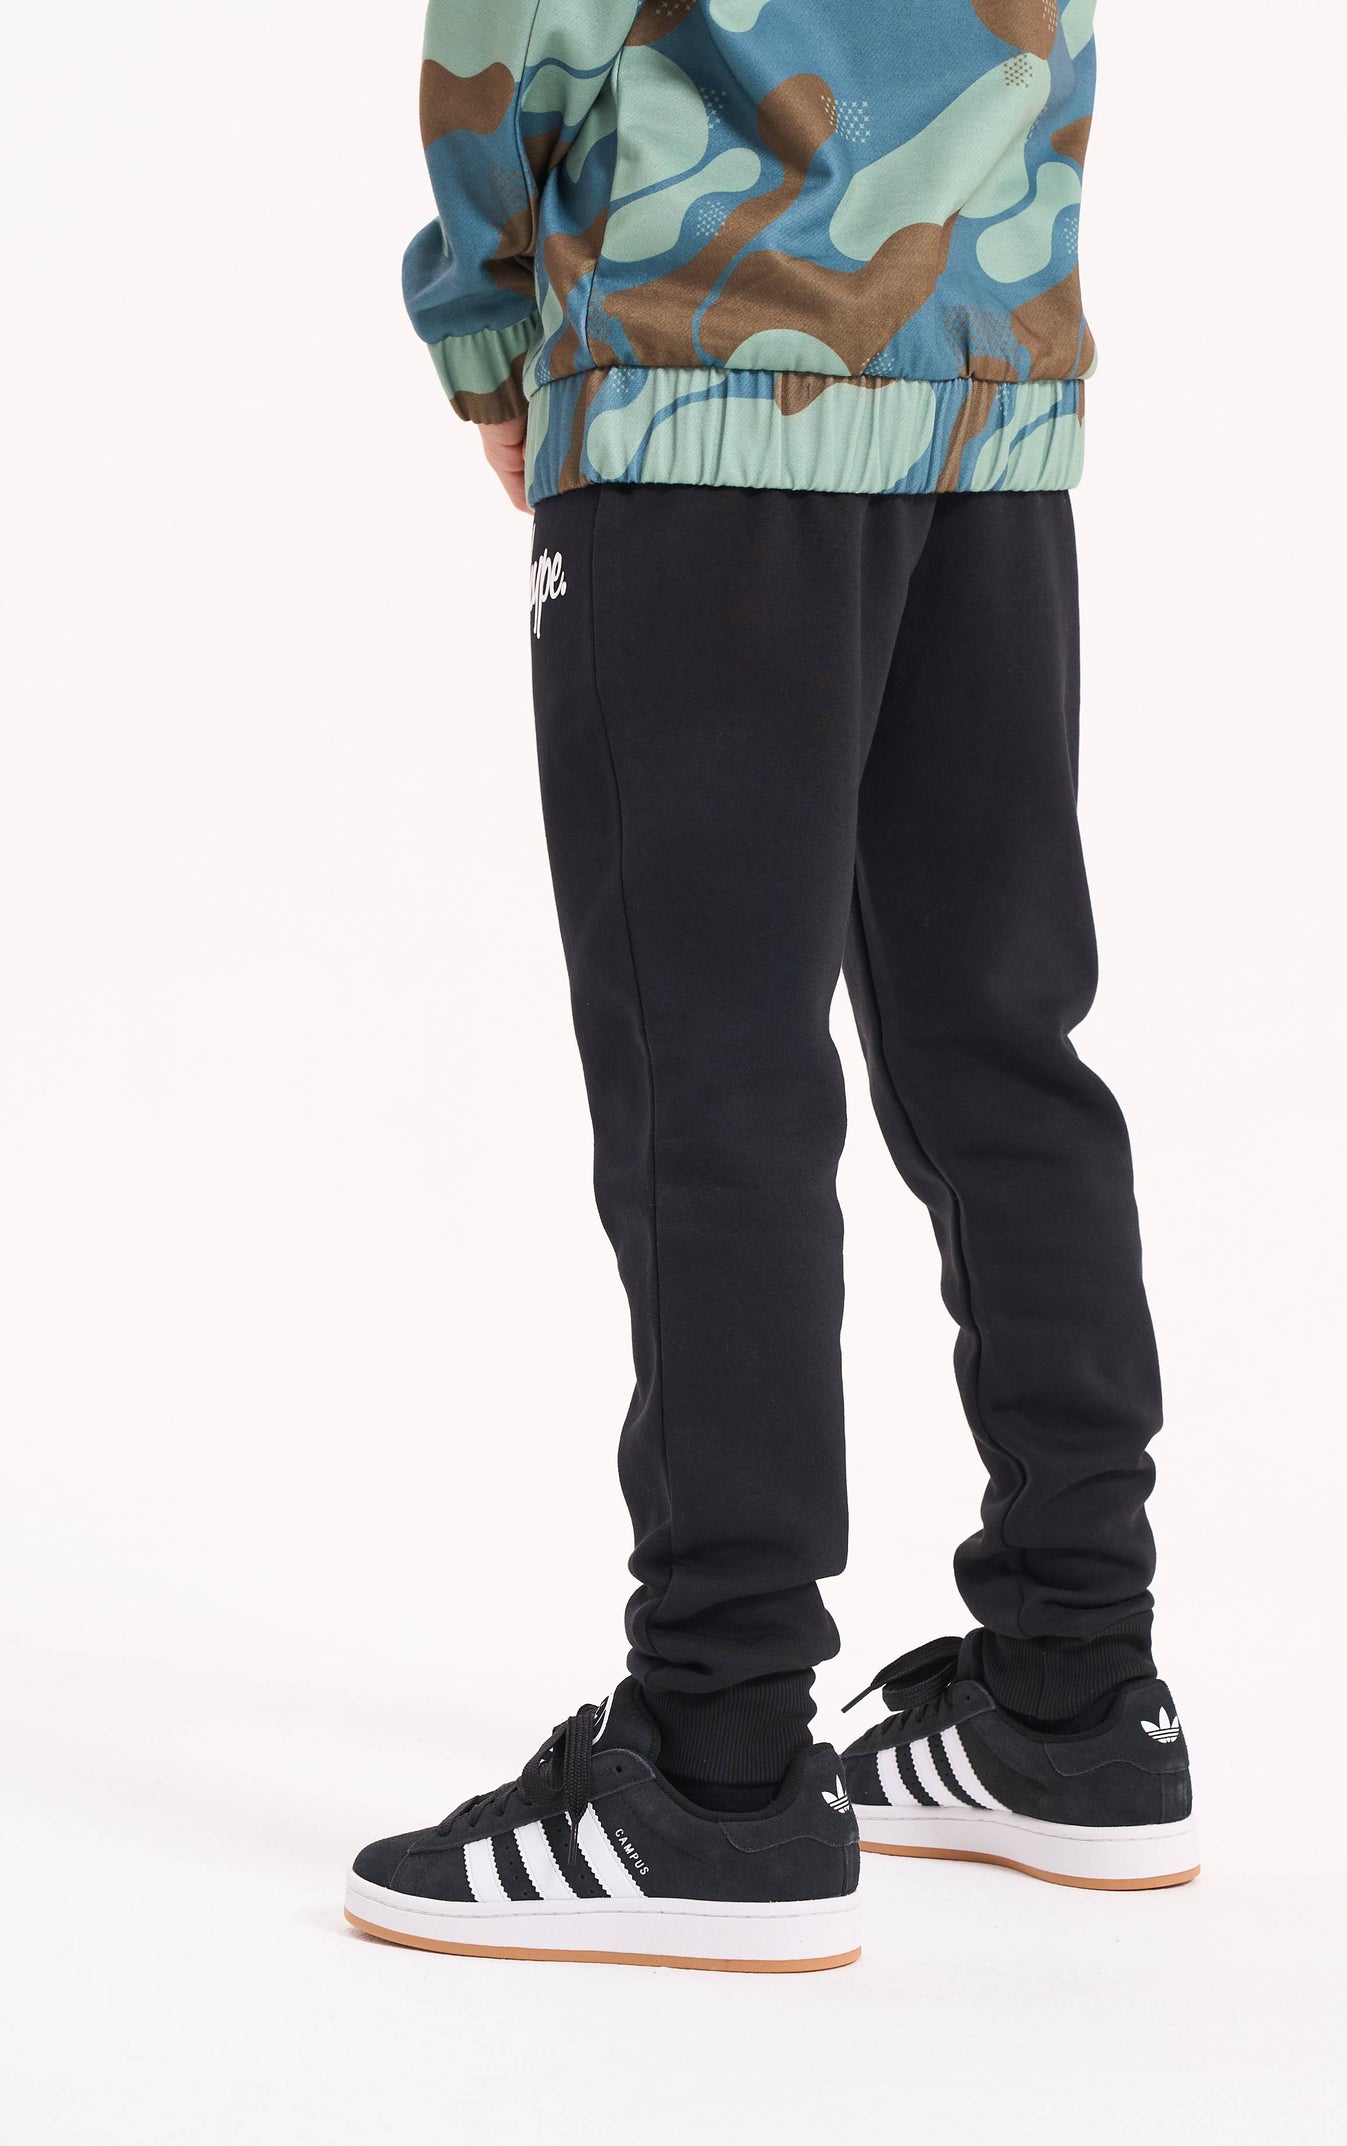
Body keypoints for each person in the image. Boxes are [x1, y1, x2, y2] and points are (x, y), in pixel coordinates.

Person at [345, 0, 1197, 1976]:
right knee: (1001, 1050)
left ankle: (720, 1760)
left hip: (703, 374)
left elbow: (518, 37)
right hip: (984, 400)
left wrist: (490, 339)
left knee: (711, 1072)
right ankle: (1077, 1691)